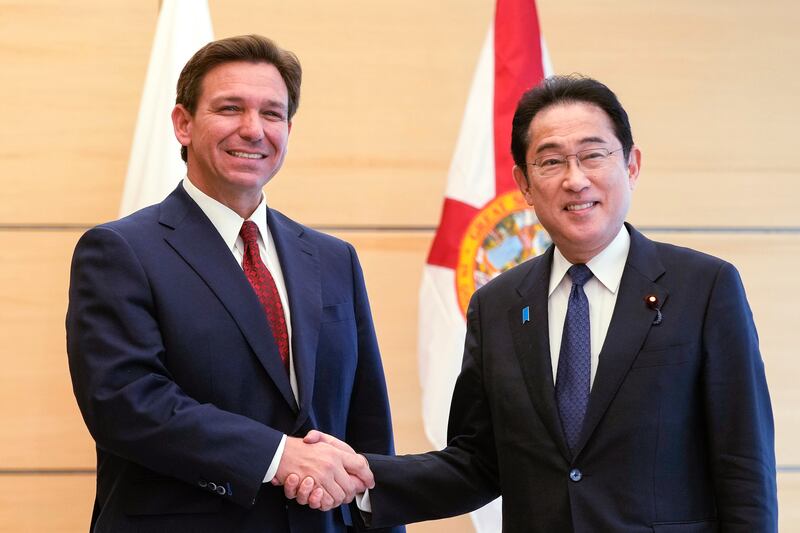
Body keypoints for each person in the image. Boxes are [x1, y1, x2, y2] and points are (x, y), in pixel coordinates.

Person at [283, 75, 778, 532]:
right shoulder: (496, 306)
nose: (575, 179)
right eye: (551, 161)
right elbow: (477, 463)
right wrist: (365, 476)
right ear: (523, 184)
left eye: (593, 155)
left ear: (631, 164)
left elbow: (742, 465)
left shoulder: (705, 287)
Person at [66, 34, 402, 533]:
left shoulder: (334, 259)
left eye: (272, 113)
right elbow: (126, 402)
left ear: (289, 128)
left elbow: (366, 426)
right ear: (183, 124)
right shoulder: (120, 251)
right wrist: (275, 455)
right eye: (230, 108)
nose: (253, 130)